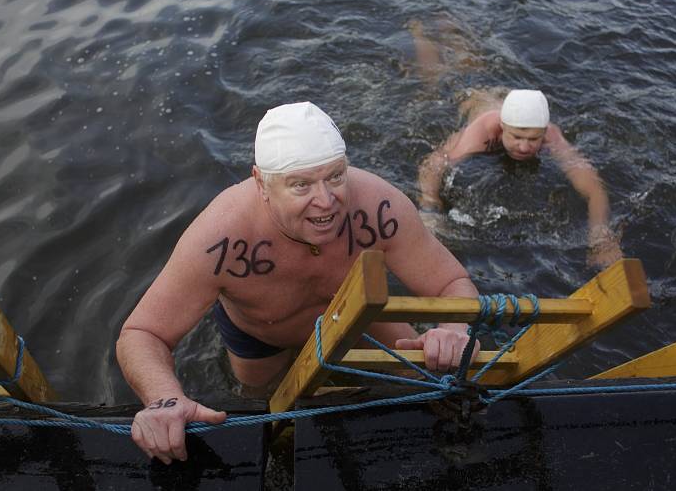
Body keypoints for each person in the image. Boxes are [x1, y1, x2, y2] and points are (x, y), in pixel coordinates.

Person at [116, 101, 480, 464]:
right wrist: (165, 399)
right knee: (260, 403)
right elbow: (143, 333)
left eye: (336, 177)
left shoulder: (380, 206)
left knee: (425, 376)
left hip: (356, 311)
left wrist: (454, 330)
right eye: (301, 185)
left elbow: (451, 282)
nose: (326, 201)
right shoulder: (218, 238)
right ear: (262, 183)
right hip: (261, 332)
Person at [417, 89, 624, 268]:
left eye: (534, 139)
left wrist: (601, 236)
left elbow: (594, 188)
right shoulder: (482, 132)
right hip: (478, 100)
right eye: (516, 137)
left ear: (543, 132)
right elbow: (434, 164)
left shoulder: (551, 135)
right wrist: (430, 206)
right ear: (503, 127)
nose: (524, 147)